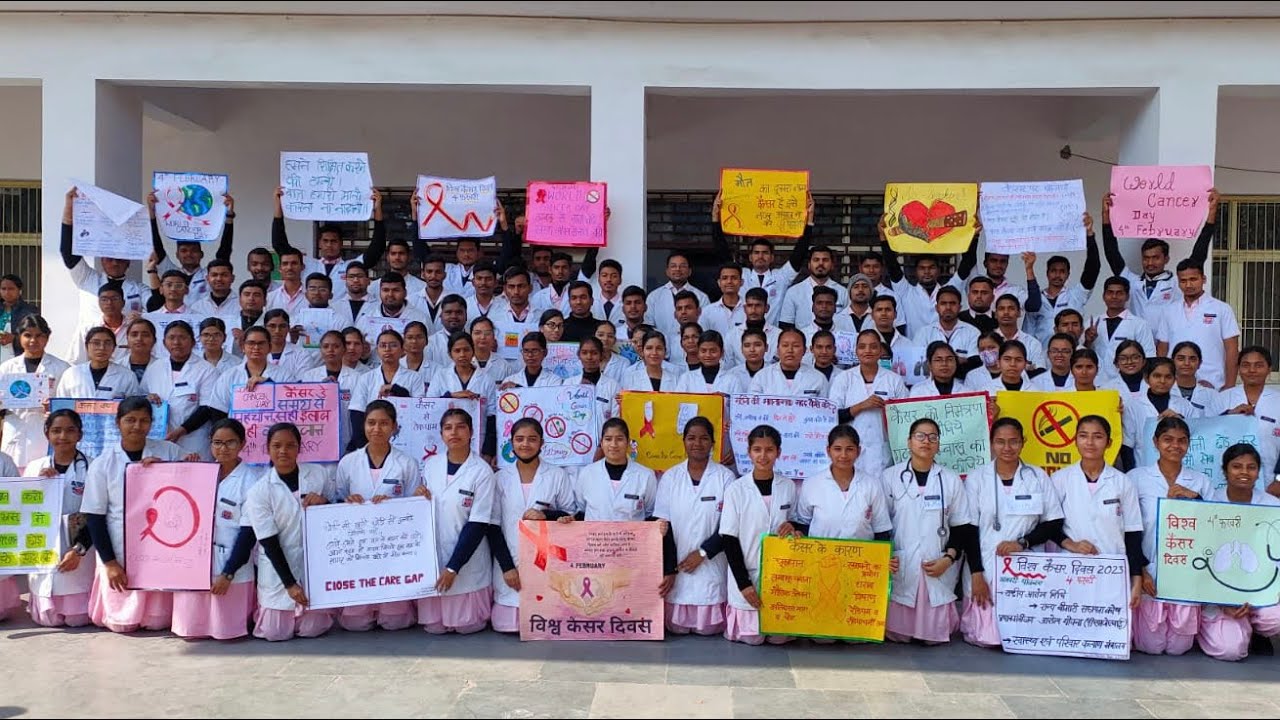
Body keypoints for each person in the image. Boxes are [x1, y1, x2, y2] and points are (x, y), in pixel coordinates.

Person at [81, 397, 194, 632]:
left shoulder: (169, 451)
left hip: (161, 541)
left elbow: (194, 487)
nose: (137, 426)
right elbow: (95, 516)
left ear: (152, 423)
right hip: (119, 543)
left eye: (144, 420)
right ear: (117, 423)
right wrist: (110, 562)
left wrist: (168, 469)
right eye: (130, 420)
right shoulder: (103, 464)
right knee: (122, 622)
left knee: (157, 620)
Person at [961, 419, 1062, 648]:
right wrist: (976, 573)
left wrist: (1023, 543)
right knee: (987, 637)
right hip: (985, 562)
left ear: (1023, 442)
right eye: (1000, 442)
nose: (1007, 448)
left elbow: (1054, 522)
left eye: (1014, 441)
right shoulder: (977, 478)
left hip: (1025, 563)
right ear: (991, 444)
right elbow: (969, 530)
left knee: (1022, 632)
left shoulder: (1037, 477)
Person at [881, 418, 978, 644]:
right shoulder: (890, 477)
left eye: (933, 437)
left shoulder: (951, 480)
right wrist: (885, 554)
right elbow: (881, 523)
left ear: (938, 444)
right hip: (901, 561)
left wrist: (949, 557)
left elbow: (962, 526)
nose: (926, 441)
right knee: (898, 634)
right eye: (920, 436)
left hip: (938, 560)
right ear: (909, 442)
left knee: (932, 636)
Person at [241, 422, 335, 641]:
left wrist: (324, 501)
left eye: (290, 445)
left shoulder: (318, 475)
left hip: (313, 564)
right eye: (277, 446)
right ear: (268, 449)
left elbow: (336, 514)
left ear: (299, 448)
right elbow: (268, 541)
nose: (283, 451)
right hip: (277, 569)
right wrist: (290, 584)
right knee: (275, 633)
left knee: (312, 629)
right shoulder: (259, 491)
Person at [333, 401, 422, 632]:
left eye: (384, 424)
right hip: (358, 547)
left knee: (395, 621)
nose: (377, 429)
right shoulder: (348, 462)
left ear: (394, 427)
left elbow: (415, 507)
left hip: (393, 546)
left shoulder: (407, 463)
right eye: (371, 423)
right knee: (355, 623)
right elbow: (338, 500)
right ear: (363, 426)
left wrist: (394, 507)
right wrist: (347, 502)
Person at [1127, 416, 1211, 655]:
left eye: (1182, 441)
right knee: (1150, 646)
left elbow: (1213, 526)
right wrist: (1140, 571)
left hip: (1185, 571)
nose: (1175, 446)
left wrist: (1194, 498)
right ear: (1155, 442)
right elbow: (1129, 530)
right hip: (1149, 571)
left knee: (1178, 647)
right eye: (1168, 440)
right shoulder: (1136, 478)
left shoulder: (1200, 481)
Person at [170, 419, 258, 640]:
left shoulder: (252, 481)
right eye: (217, 442)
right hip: (194, 561)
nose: (223, 448)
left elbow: (248, 534)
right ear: (210, 443)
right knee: (190, 629)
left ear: (243, 444)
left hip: (232, 564)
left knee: (226, 630)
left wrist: (228, 573)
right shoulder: (199, 471)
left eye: (230, 443)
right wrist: (183, 470)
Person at [487, 418, 576, 633]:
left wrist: (546, 515)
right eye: (519, 439)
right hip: (510, 561)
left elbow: (570, 515)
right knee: (506, 625)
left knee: (547, 624)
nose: (525, 444)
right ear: (511, 443)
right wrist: (507, 567)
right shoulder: (499, 478)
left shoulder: (557, 475)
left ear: (542, 443)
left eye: (532, 439)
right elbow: (492, 526)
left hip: (547, 562)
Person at [415, 408, 496, 634]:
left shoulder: (481, 472)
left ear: (471, 432)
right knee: (434, 627)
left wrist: (453, 567)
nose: (454, 433)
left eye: (460, 427)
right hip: (434, 557)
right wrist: (419, 496)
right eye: (448, 428)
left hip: (467, 565)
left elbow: (478, 524)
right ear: (441, 434)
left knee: (467, 626)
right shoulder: (431, 465)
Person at [1051, 415, 1145, 611]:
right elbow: (1049, 526)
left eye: (1098, 436)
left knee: (1107, 630)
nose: (1090, 442)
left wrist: (1136, 579)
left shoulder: (1123, 482)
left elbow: (1133, 533)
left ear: (1109, 443)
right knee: (1072, 625)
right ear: (1075, 440)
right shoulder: (1060, 479)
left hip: (1112, 569)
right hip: (1072, 567)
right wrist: (1071, 544)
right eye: (1084, 436)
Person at [654, 417, 736, 635]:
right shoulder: (670, 477)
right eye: (691, 438)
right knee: (676, 626)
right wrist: (669, 569)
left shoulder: (726, 478)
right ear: (683, 441)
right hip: (678, 572)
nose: (697, 443)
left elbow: (729, 527)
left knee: (709, 628)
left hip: (711, 567)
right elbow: (663, 526)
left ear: (713, 442)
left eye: (703, 438)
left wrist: (702, 553)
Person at [1197, 444, 1280, 661]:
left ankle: (1257, 630)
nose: (1244, 472)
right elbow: (1199, 557)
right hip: (1218, 596)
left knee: (1276, 618)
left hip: (1260, 590)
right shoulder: (1209, 504)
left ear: (1258, 471)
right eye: (1237, 466)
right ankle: (1229, 630)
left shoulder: (1273, 506)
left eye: (1251, 467)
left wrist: (1266, 593)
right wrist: (1223, 601)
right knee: (1230, 651)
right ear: (1224, 470)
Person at [719, 424, 799, 645]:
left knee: (780, 638)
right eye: (757, 450)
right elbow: (729, 539)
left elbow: (796, 522)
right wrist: (744, 584)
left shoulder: (788, 487)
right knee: (752, 638)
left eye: (769, 450)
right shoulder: (736, 490)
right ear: (749, 452)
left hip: (780, 576)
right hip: (746, 572)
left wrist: (792, 526)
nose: (763, 456)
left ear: (779, 453)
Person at [1101, 188, 1218, 327]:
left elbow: (1200, 252)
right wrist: (1106, 216)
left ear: (1166, 259)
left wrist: (1212, 213)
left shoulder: (1176, 283)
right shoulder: (1131, 281)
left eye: (1155, 258)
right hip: (1136, 344)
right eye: (1146, 258)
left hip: (1168, 343)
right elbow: (1111, 252)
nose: (1150, 263)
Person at [21, 409, 95, 627]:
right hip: (43, 545)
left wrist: (79, 549)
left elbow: (98, 514)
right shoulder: (35, 467)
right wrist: (38, 484)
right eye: (56, 431)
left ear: (80, 435)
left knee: (78, 618)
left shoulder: (93, 467)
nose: (63, 436)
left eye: (70, 430)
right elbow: (22, 510)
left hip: (79, 547)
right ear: (47, 434)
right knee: (46, 618)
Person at [712, 191, 813, 327]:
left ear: (772, 257)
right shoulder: (741, 275)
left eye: (765, 253)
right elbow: (722, 251)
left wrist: (809, 220)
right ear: (750, 257)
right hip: (744, 336)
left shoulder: (781, 277)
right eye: (756, 252)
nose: (760, 256)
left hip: (772, 336)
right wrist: (715, 217)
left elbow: (799, 253)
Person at [273, 187, 386, 301]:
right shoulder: (307, 264)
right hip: (311, 315)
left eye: (333, 241)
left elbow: (377, 248)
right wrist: (279, 208)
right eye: (325, 241)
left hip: (341, 316)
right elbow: (280, 245)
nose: (329, 245)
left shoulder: (351, 266)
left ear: (341, 244)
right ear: (319, 243)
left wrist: (377, 211)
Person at [879, 212, 978, 335]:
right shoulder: (906, 292)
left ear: (939, 271)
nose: (926, 272)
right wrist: (883, 238)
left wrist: (974, 236)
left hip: (944, 352)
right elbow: (892, 266)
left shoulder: (949, 290)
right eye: (922, 268)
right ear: (916, 272)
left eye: (931, 268)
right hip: (915, 350)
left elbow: (967, 264)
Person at [793, 425, 893, 546]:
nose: (843, 455)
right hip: (820, 559)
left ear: (858, 451)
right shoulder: (812, 484)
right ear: (828, 451)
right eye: (837, 449)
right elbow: (803, 526)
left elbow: (881, 530)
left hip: (861, 561)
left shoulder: (871, 484)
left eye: (850, 449)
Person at [829, 330, 907, 479]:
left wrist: (889, 411)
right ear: (856, 351)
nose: (868, 351)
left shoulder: (893, 380)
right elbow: (833, 416)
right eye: (862, 346)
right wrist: (861, 406)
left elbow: (904, 418)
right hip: (851, 452)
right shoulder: (843, 379)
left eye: (873, 346)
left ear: (880, 350)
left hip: (883, 452)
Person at [60, 187, 147, 315]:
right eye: (109, 258)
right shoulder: (87, 279)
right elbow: (67, 252)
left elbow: (157, 305)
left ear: (128, 261)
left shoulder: (138, 289)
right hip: (91, 335)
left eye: (120, 259)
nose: (115, 263)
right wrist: (69, 209)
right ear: (102, 260)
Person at [141, 321, 221, 460]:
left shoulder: (206, 370)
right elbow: (141, 395)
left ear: (193, 342)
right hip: (160, 438)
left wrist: (181, 430)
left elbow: (207, 408)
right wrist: (148, 398)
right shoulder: (155, 367)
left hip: (193, 439)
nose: (176, 342)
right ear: (164, 342)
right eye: (171, 338)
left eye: (182, 337)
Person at [1155, 261, 1240, 390]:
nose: (1188, 285)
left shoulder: (1221, 309)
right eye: (1183, 281)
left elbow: (1232, 349)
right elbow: (1162, 349)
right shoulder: (1169, 311)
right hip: (1175, 385)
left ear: (1203, 279)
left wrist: (1229, 385)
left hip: (1214, 383)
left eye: (1193, 279)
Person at [0, 315, 70, 469]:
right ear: (19, 337)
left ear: (47, 338)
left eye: (39, 336)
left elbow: (67, 406)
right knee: (13, 482)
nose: (33, 340)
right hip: (15, 431)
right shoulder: (6, 368)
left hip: (45, 432)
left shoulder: (62, 368)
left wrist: (53, 408)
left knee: (43, 478)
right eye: (27, 335)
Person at [1024, 216, 1101, 343]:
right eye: (1053, 271)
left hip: (1073, 354)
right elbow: (1028, 333)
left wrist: (1089, 235)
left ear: (1068, 274)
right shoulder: (1036, 299)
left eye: (1062, 271)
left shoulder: (1076, 295)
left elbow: (1093, 268)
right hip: (1043, 358)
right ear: (1047, 273)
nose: (1057, 275)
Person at [347, 329, 425, 451]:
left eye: (393, 345)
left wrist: (397, 390)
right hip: (371, 439)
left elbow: (418, 410)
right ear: (377, 350)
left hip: (405, 439)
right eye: (383, 345)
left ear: (403, 350)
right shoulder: (366, 378)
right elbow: (357, 413)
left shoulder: (414, 377)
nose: (387, 349)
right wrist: (364, 446)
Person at [1120, 357, 1197, 471]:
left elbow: (1197, 436)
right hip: (1144, 468)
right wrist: (1131, 474)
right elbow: (1128, 446)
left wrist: (1182, 420)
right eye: (1157, 376)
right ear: (1146, 378)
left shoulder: (1184, 406)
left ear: (1174, 379)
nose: (1162, 381)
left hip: (1180, 469)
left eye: (1168, 377)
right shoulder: (1134, 406)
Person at [429, 331, 498, 459]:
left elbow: (492, 417)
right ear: (450, 354)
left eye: (466, 350)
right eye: (457, 350)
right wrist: (452, 396)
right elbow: (429, 407)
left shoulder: (486, 379)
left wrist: (488, 452)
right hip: (447, 439)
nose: (462, 355)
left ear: (473, 351)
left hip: (478, 440)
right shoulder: (441, 376)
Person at [573, 418, 658, 521]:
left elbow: (649, 512)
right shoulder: (587, 473)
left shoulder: (646, 476)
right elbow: (581, 508)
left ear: (628, 442)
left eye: (619, 439)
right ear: (602, 442)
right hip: (595, 536)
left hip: (632, 537)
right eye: (608, 439)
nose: (613, 445)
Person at [1220, 346, 1280, 486]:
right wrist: (1228, 415)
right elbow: (1208, 431)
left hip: (1272, 483)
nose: (1252, 370)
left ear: (1269, 369)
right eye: (1246, 365)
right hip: (1228, 482)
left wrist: (1278, 480)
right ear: (1239, 369)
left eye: (1259, 365)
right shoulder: (1222, 399)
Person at [1086, 276, 1157, 382]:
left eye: (1119, 293)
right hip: (1096, 382)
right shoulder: (1091, 323)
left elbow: (1149, 357)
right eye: (1110, 292)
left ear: (1127, 296)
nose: (1114, 296)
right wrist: (1088, 341)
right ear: (1103, 296)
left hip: (1128, 383)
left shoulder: (1139, 324)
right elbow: (1082, 354)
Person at [55, 326, 140, 400]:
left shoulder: (127, 376)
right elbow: (61, 405)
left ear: (114, 348)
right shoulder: (71, 374)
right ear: (86, 346)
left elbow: (134, 407)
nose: (101, 348)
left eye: (107, 343)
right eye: (96, 343)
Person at [780, 245, 846, 331]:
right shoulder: (793, 292)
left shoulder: (843, 292)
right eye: (816, 260)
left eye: (825, 260)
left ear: (832, 265)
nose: (821, 263)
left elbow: (847, 324)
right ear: (809, 265)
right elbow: (786, 326)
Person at [748, 327, 828, 397]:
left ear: (804, 350)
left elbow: (825, 410)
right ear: (778, 350)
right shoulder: (762, 377)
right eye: (785, 345)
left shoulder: (818, 378)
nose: (790, 350)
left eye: (796, 346)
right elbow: (753, 407)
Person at [646, 251, 710, 336]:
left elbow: (705, 325)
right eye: (673, 266)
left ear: (689, 271)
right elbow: (649, 326)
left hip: (692, 345)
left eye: (682, 266)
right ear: (667, 271)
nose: (678, 269)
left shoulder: (701, 297)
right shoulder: (654, 297)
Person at [67, 282, 133, 365]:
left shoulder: (133, 328)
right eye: (104, 299)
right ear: (98, 303)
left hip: (127, 376)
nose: (109, 303)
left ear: (123, 302)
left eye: (114, 299)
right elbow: (76, 362)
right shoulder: (86, 329)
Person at [912, 286, 979, 363]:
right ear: (937, 308)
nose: (948, 307)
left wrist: (936, 360)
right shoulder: (923, 333)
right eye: (943, 303)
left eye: (952, 303)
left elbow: (974, 363)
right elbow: (918, 362)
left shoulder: (973, 332)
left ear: (960, 307)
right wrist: (959, 360)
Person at [675, 331, 746, 394]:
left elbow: (737, 407)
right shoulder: (686, 379)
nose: (708, 355)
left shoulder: (732, 380)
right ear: (698, 353)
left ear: (722, 352)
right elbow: (678, 404)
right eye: (703, 351)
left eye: (713, 351)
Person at [973, 340, 1052, 394]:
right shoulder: (986, 391)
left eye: (1018, 360)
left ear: (1025, 364)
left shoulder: (1035, 392)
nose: (1013, 364)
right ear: (998, 362)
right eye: (1007, 359)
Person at [993, 293, 1044, 369]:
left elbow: (1039, 371)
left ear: (1019, 312)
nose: (1006, 312)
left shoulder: (1032, 343)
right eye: (1001, 308)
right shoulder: (987, 341)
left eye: (1011, 308)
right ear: (995, 314)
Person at [1171, 341, 1220, 415]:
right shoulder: (1163, 392)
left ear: (1199, 363)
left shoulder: (1212, 395)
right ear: (1172, 362)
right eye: (1181, 359)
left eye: (1192, 359)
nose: (1186, 363)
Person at [188, 259, 240, 325]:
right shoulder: (197, 307)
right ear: (207, 278)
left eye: (224, 275)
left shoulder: (241, 305)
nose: (219, 279)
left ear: (232, 278)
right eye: (214, 275)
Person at [0, 273, 39, 360]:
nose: (7, 292)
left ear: (19, 290)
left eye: (11, 289)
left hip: (17, 360)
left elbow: (37, 337)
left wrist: (14, 339)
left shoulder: (30, 311)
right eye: (3, 289)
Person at [700, 263, 746, 337]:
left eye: (734, 278)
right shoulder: (707, 312)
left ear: (741, 282)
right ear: (719, 282)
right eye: (725, 278)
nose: (729, 281)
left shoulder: (749, 309)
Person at [123, 317, 158, 383]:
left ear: (154, 340)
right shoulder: (117, 365)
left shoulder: (164, 367)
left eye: (145, 335)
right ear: (127, 339)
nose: (139, 339)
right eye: (134, 335)